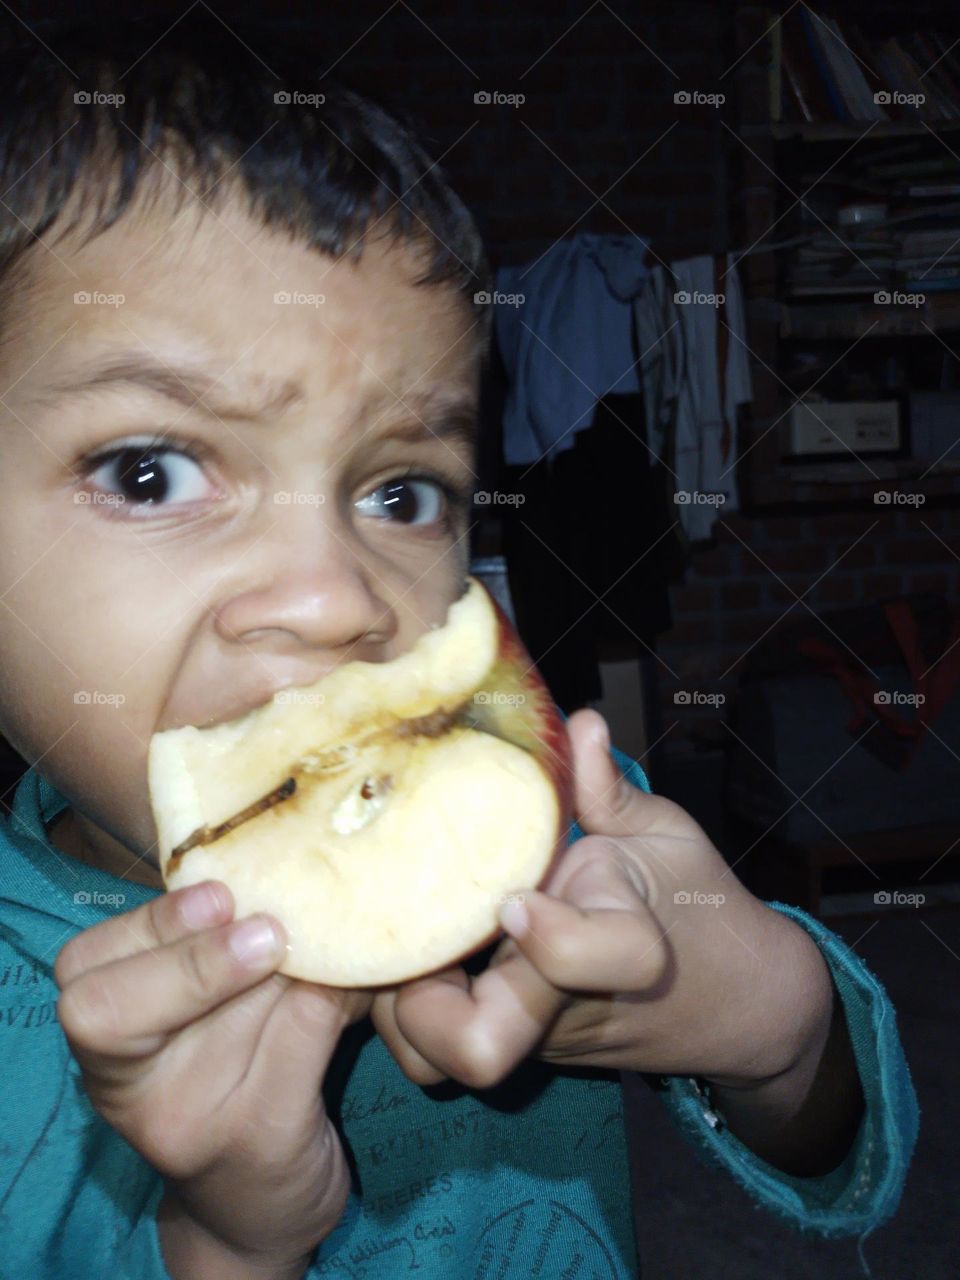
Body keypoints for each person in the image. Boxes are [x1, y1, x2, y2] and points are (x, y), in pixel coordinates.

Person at [0, 16, 917, 1280]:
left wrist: (774, 1023)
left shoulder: (546, 834)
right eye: (149, 471)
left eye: (399, 492)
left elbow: (834, 1143)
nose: (335, 598)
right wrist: (223, 1243)